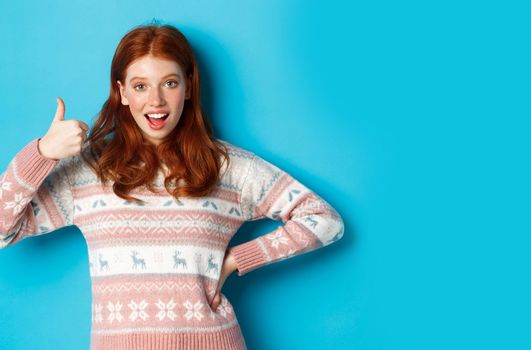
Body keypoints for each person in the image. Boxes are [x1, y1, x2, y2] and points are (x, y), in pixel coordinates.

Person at [0, 22, 344, 350]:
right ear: (121, 92)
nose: (156, 101)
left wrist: (236, 260)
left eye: (170, 83)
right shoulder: (91, 171)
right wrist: (42, 153)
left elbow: (324, 220)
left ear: (189, 86)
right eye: (140, 86)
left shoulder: (228, 167)